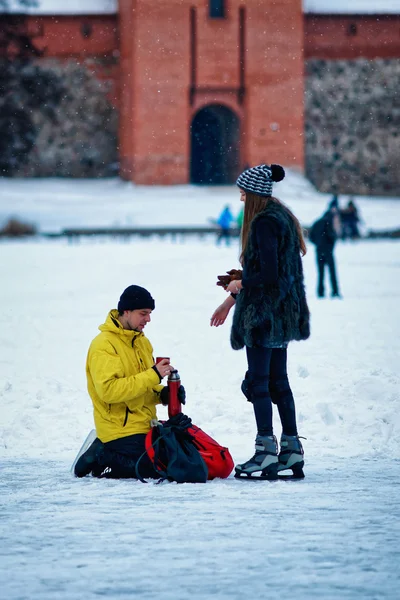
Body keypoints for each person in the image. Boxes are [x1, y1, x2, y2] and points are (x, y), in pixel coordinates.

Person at [210, 163, 310, 479]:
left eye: (243, 192)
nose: (240, 198)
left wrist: (240, 284)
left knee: (259, 381)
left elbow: (267, 274)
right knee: (278, 381)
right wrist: (230, 298)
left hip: (264, 315)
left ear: (254, 193)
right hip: (283, 313)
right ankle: (291, 450)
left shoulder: (264, 223)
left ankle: (265, 451)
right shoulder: (282, 217)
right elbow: (278, 272)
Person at [74, 285, 186, 479]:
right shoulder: (104, 344)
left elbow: (141, 387)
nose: (148, 319)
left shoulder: (142, 342)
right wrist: (153, 375)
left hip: (144, 425)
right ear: (126, 311)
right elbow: (109, 391)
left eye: (150, 313)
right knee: (156, 469)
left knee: (178, 459)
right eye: (143, 313)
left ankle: (108, 452)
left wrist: (163, 394)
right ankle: (102, 453)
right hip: (118, 430)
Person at [309, 197, 341, 298]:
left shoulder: (317, 222)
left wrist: (318, 243)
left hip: (319, 250)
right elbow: (332, 236)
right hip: (328, 251)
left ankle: (320, 292)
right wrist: (331, 244)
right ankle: (335, 292)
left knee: (321, 273)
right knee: (332, 272)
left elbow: (311, 236)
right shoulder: (329, 223)